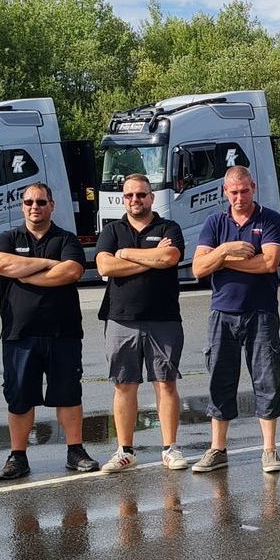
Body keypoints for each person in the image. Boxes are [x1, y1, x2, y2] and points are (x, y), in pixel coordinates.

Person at [0, 183, 100, 480]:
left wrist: (24, 273)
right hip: (19, 334)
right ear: (22, 206)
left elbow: (72, 271)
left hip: (63, 332)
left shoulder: (66, 239)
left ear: (52, 205)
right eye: (28, 202)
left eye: (40, 201)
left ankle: (75, 451)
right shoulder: (7, 238)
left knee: (68, 395)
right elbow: (0, 264)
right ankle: (18, 457)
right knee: (20, 397)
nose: (34, 206)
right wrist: (49, 266)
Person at [190, 165, 280, 473]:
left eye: (244, 191)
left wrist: (219, 261)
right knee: (220, 379)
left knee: (267, 379)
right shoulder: (215, 222)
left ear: (253, 187)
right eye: (233, 192)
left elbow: (269, 263)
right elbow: (197, 269)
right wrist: (227, 251)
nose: (239, 197)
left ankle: (269, 450)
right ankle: (217, 449)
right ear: (225, 192)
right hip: (223, 313)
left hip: (261, 312)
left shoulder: (269, 218)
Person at [94, 173, 189, 474]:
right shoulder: (112, 230)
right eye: (129, 195)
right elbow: (105, 266)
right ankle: (125, 450)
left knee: (166, 383)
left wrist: (125, 254)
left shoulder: (168, 227)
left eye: (141, 195)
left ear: (151, 197)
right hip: (121, 319)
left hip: (164, 318)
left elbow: (170, 257)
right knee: (124, 385)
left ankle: (169, 448)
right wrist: (150, 256)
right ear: (124, 199)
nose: (135, 200)